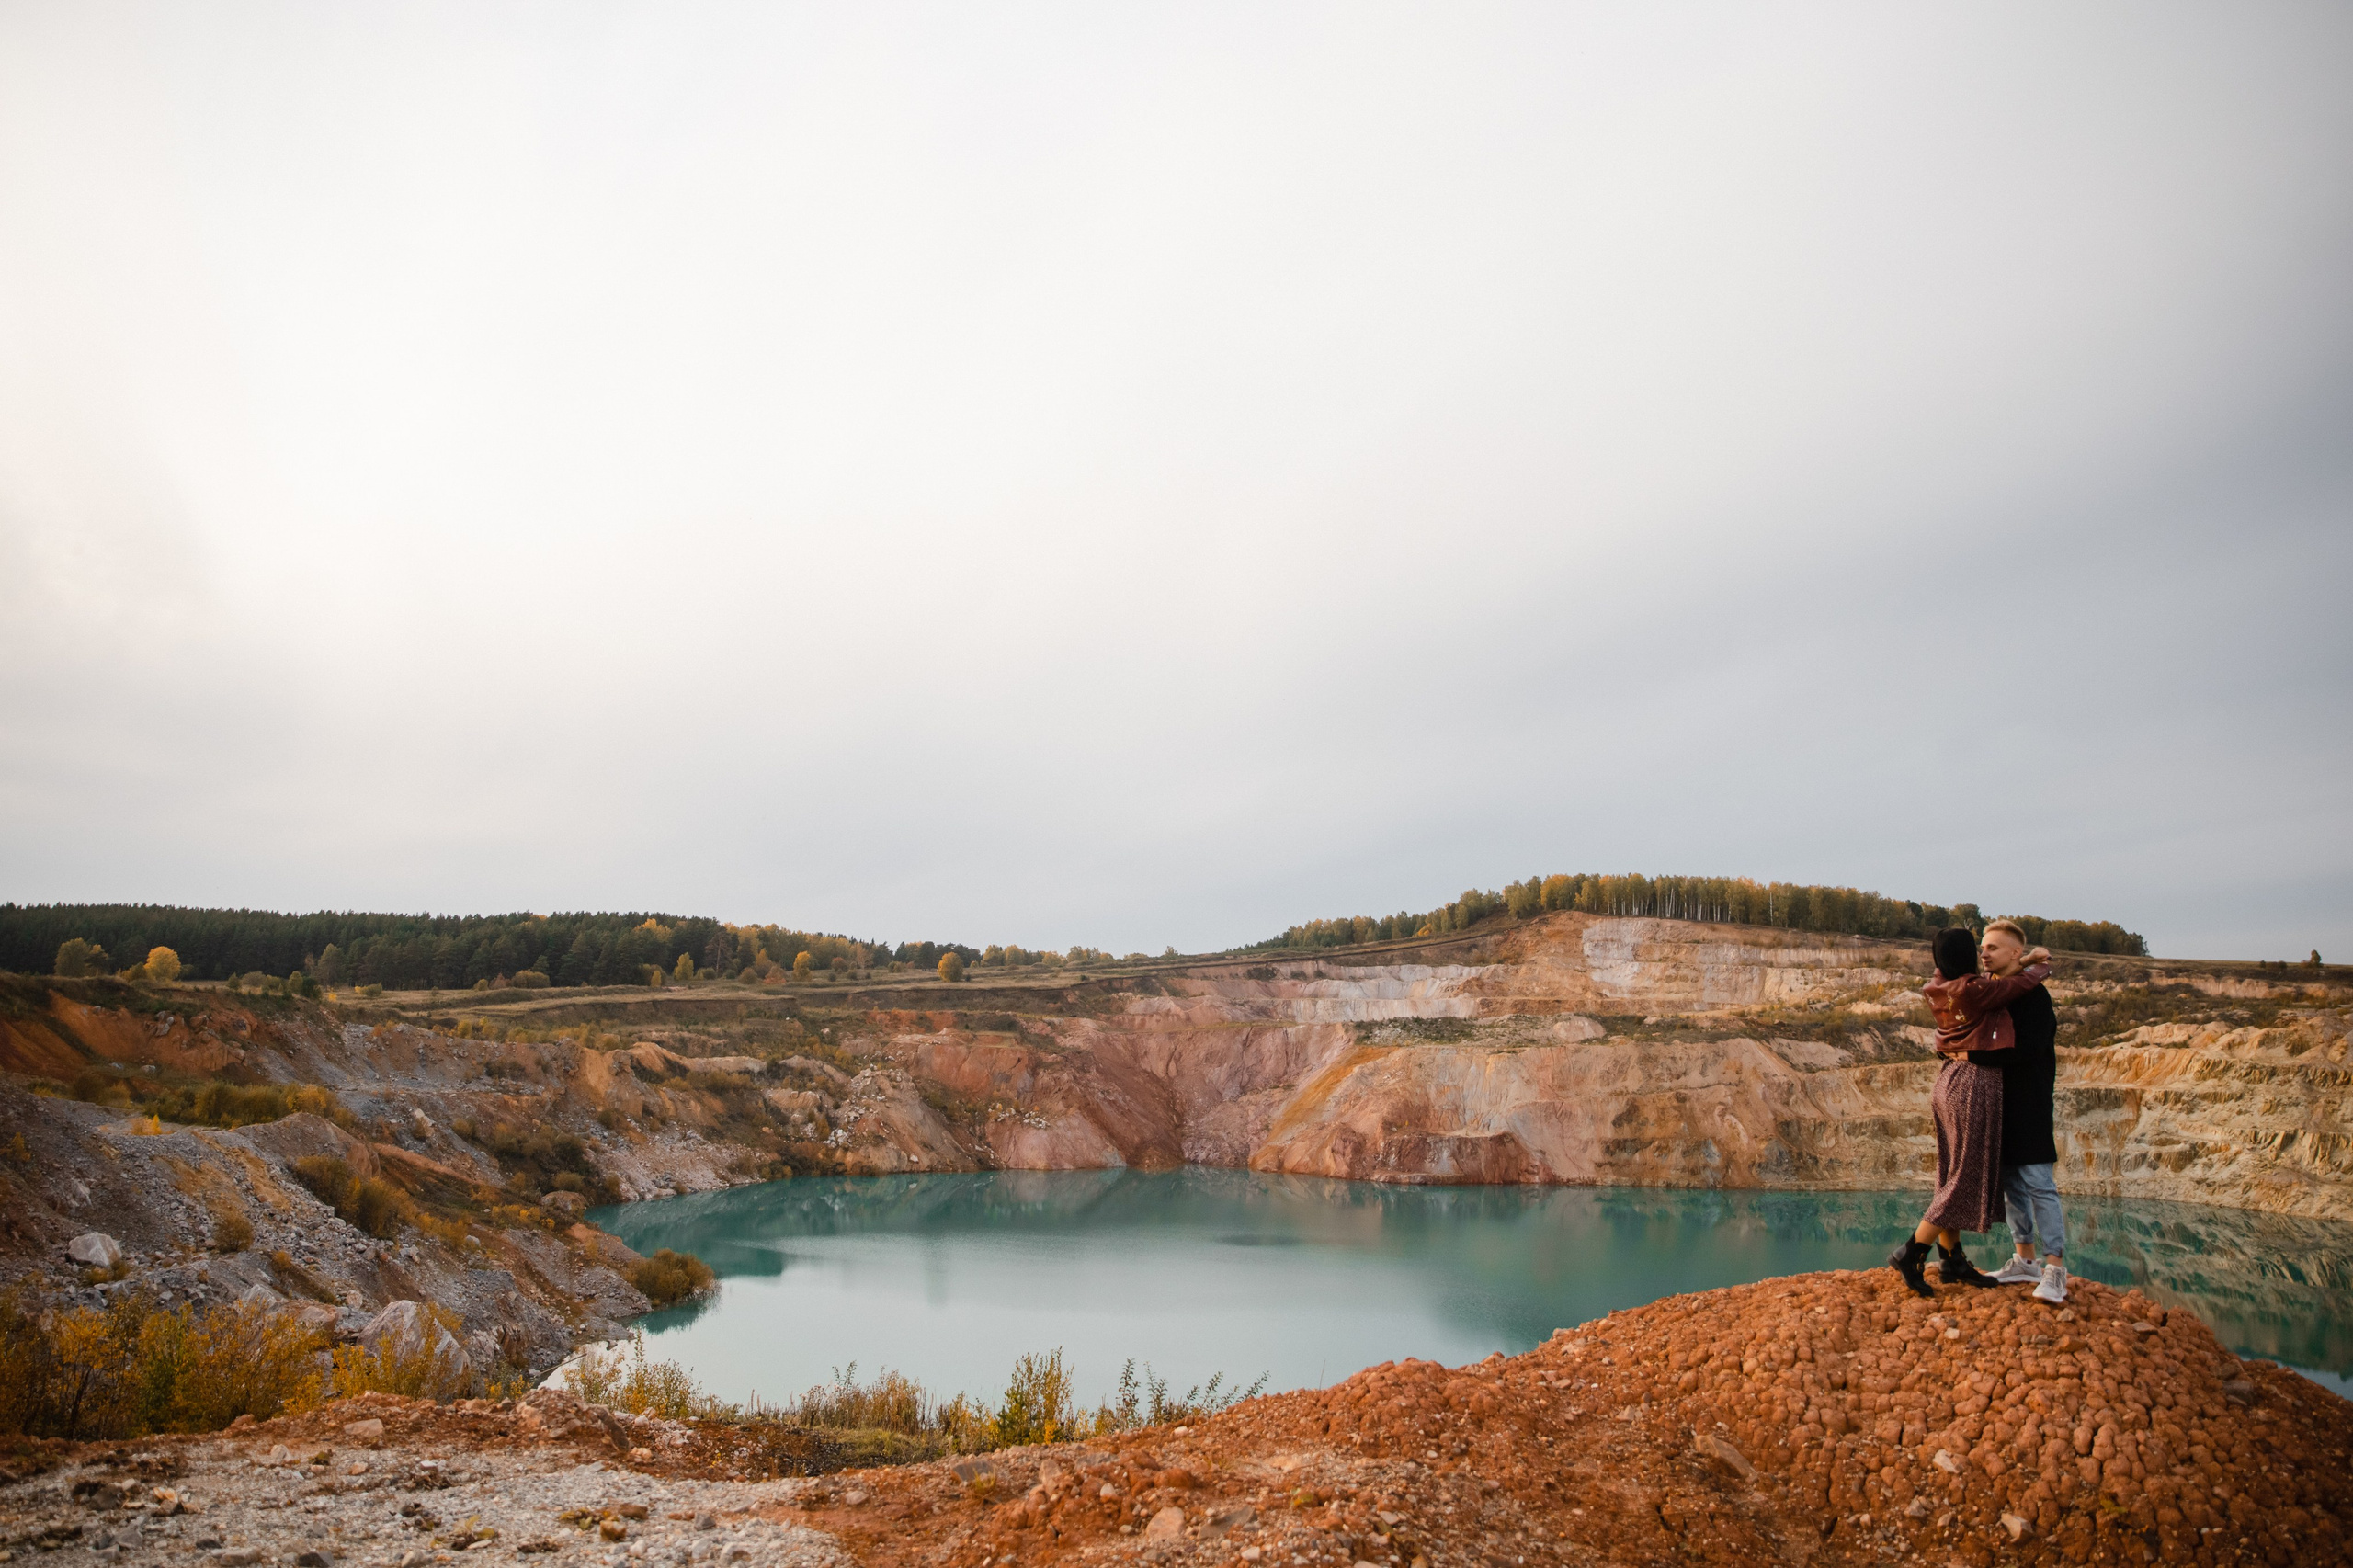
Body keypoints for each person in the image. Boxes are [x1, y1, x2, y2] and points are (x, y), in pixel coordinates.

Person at [1888, 927, 2051, 1297]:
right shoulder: (1974, 989)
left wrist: (2020, 958)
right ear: (1967, 957)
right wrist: (2036, 964)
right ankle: (1912, 1251)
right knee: (1964, 1176)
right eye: (1978, 950)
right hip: (1975, 1083)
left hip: (1948, 1080)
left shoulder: (1938, 984)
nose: (1984, 955)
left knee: (1949, 1172)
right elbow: (2018, 986)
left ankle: (1952, 1257)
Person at [1973, 919, 2069, 1304]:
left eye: (1993, 947)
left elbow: (2025, 1050)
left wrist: (1971, 1055)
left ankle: (2056, 1269)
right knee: (2012, 1184)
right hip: (2001, 1104)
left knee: (2038, 1183)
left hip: (2028, 1103)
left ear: (2014, 953)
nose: (1984, 953)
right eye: (1983, 946)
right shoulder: (2001, 990)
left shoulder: (2035, 998)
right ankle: (2025, 1261)